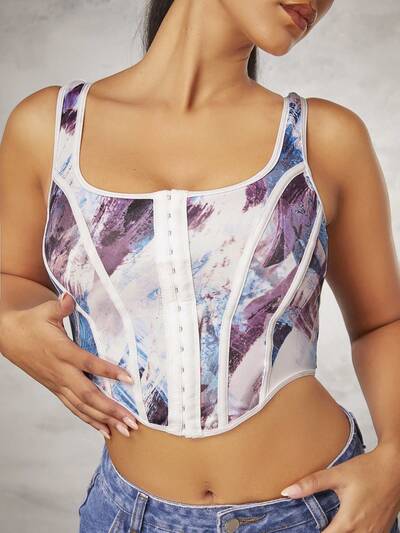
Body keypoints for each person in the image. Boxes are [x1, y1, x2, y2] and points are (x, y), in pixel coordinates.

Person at [1, 0, 399, 531]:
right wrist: (8, 326)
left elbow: (381, 324)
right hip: (127, 515)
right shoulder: (49, 130)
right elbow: (13, 279)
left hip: (315, 514)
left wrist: (396, 461)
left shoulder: (322, 138)